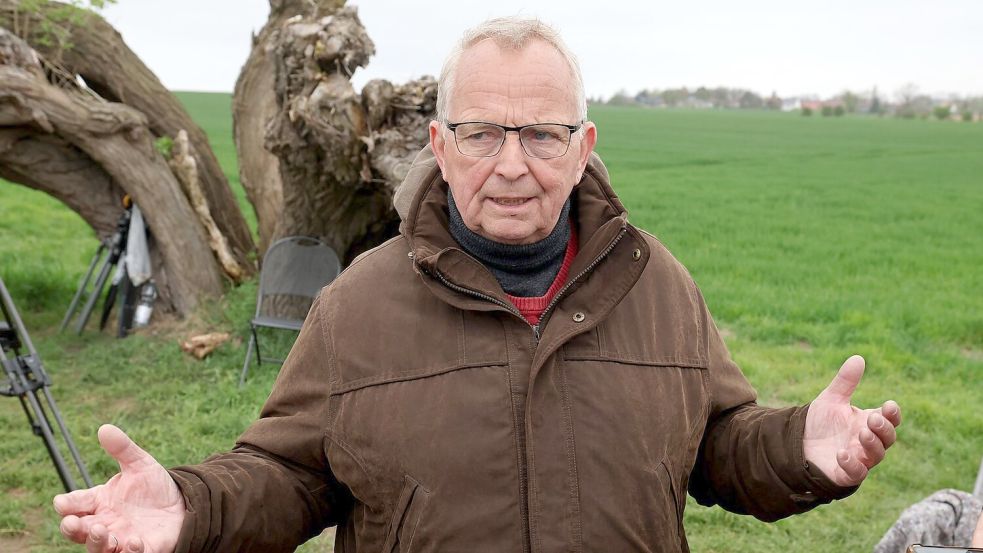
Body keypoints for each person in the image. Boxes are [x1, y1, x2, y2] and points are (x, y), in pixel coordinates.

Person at [53, 17, 902, 553]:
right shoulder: (358, 305)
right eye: (480, 131)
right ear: (440, 142)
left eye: (539, 133)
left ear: (582, 145)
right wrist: (191, 507)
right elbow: (288, 475)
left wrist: (797, 447)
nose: (510, 163)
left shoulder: (657, 286)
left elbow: (717, 447)